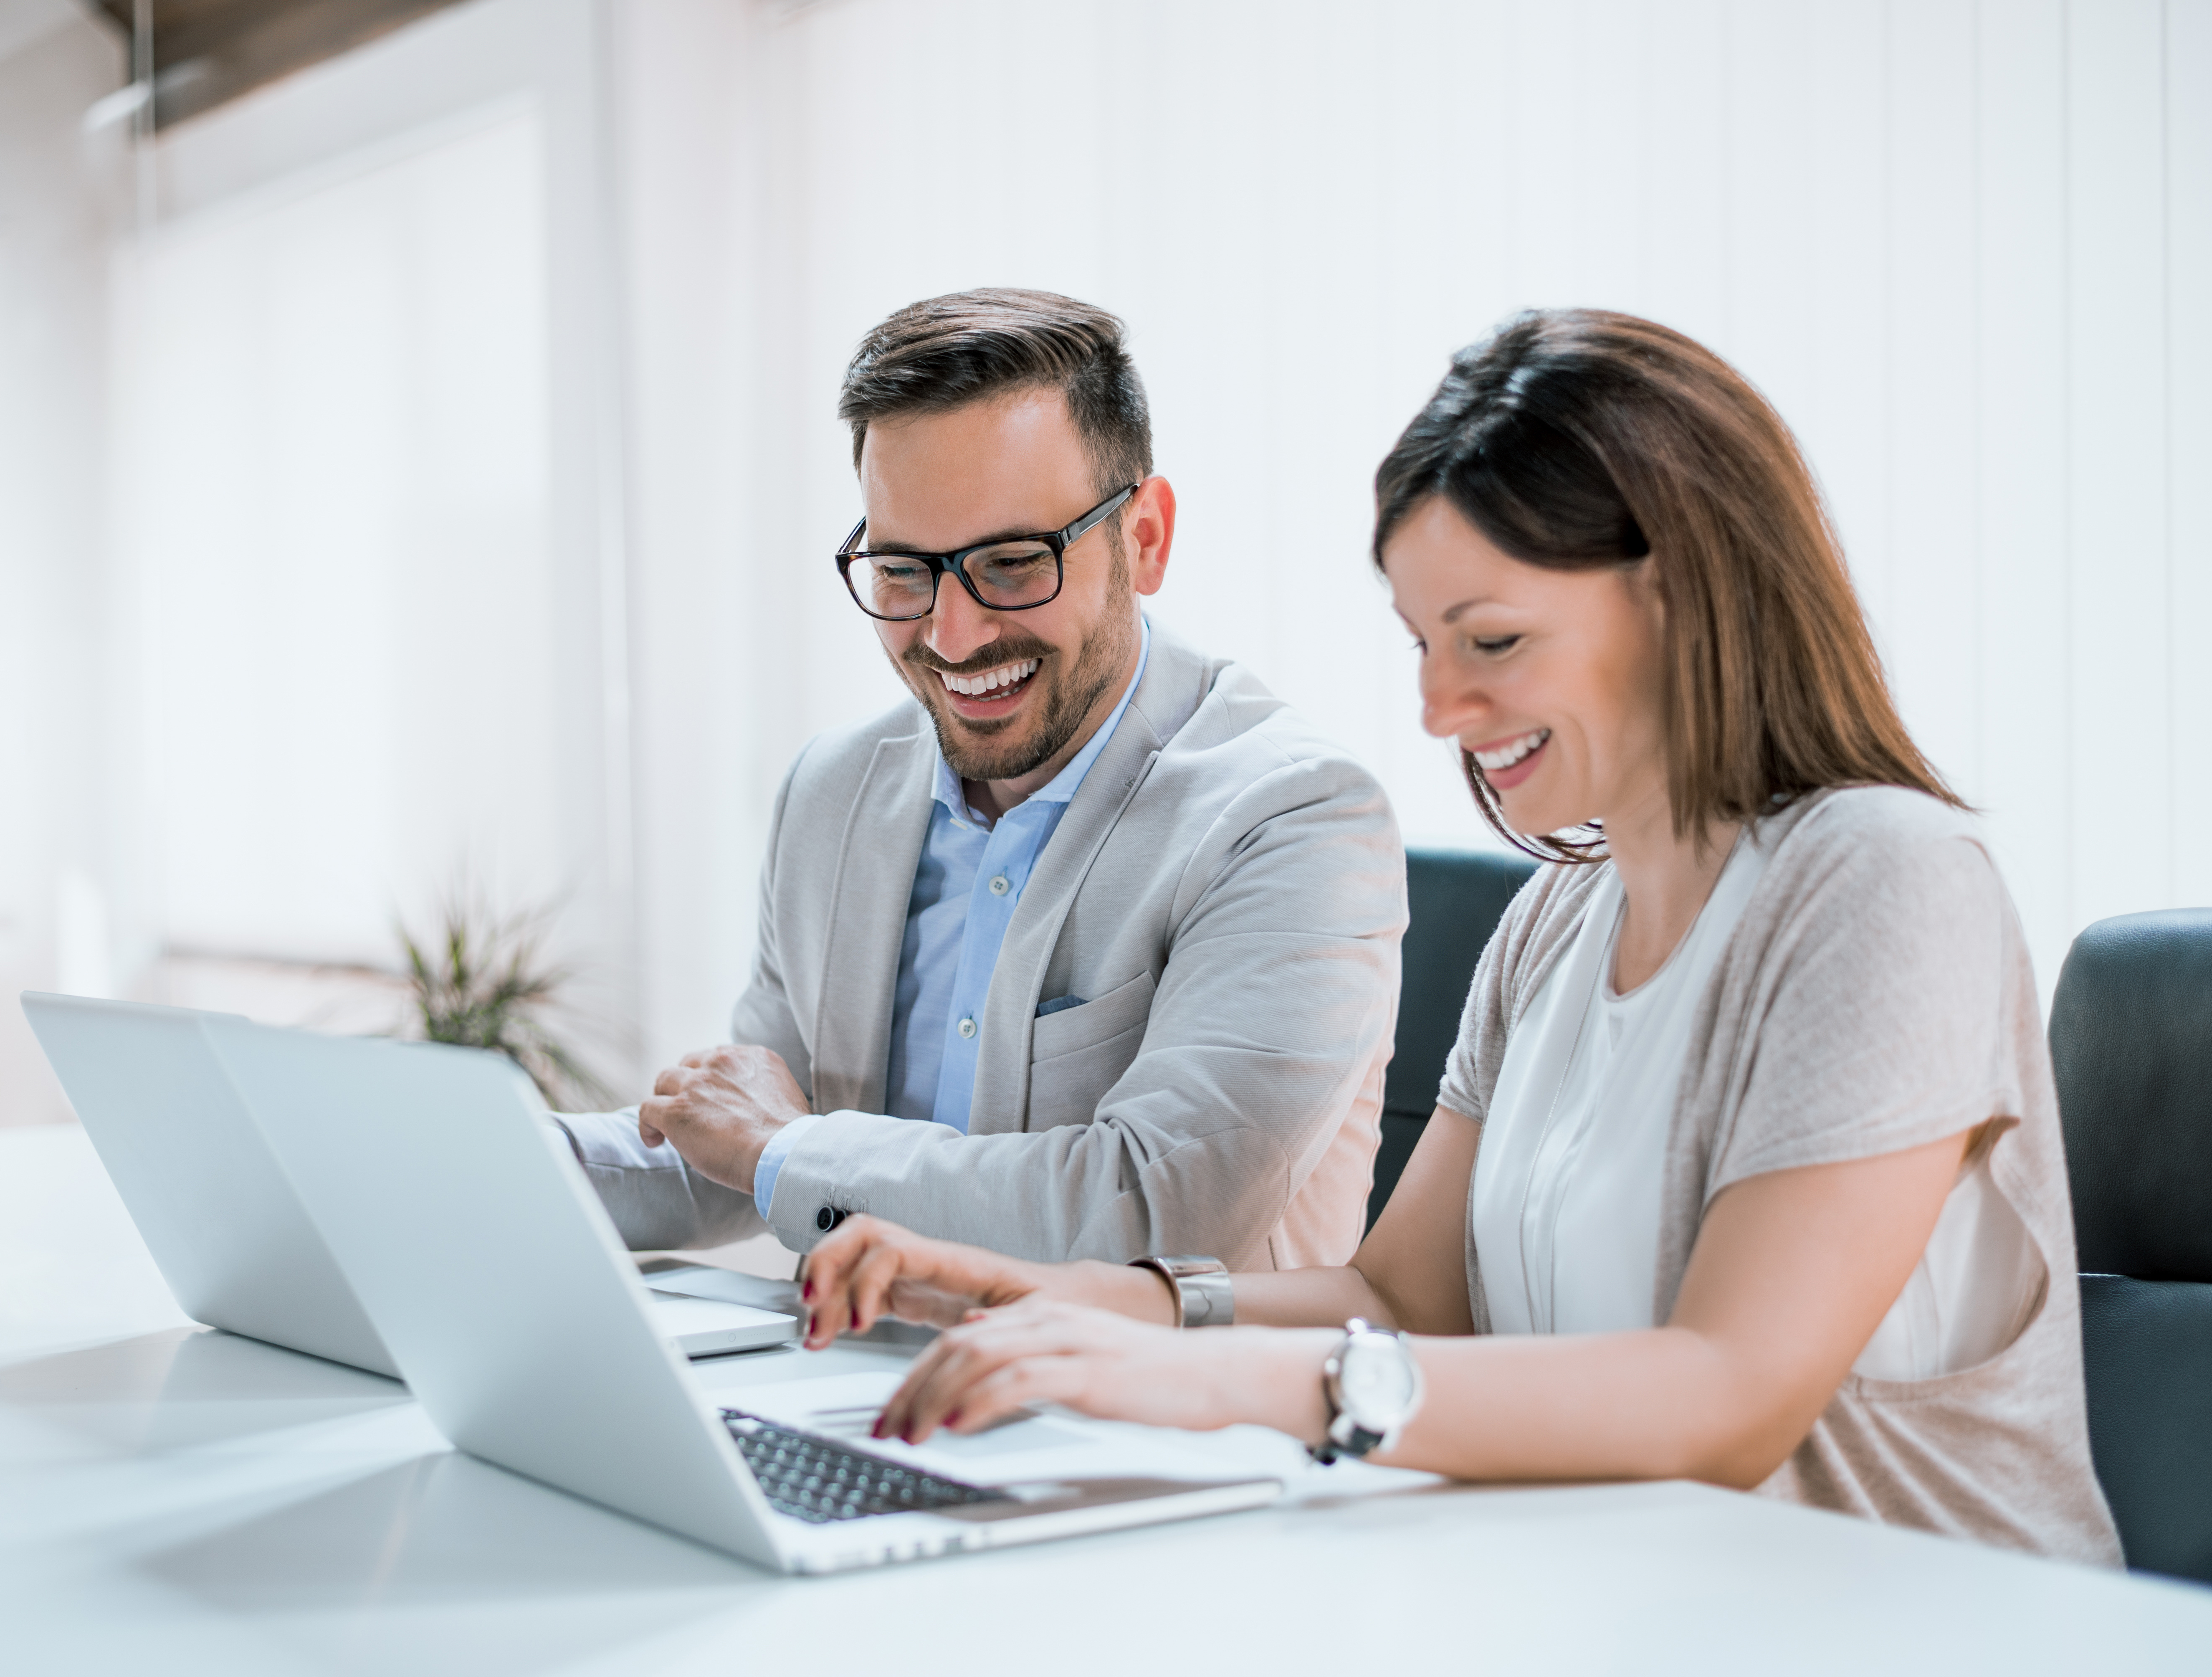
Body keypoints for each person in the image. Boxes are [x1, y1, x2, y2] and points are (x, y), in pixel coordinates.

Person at [797, 309, 2123, 1565]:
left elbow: (1726, 1396)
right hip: (1631, 1608)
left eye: (1491, 638)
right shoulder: (1556, 917)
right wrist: (1068, 1297)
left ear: (1688, 600)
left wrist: (1217, 1377)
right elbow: (1404, 1296)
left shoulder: (1885, 882)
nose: (1441, 708)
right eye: (1423, 642)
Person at [556, 289, 1406, 1268]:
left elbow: (1152, 1216)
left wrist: (782, 1148)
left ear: (1145, 539)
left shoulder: (1292, 817)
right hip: (858, 1394)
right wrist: (488, 1158)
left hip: (1146, 1410)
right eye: (903, 572)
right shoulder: (831, 793)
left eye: (1010, 563)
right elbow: (736, 1142)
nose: (951, 638)